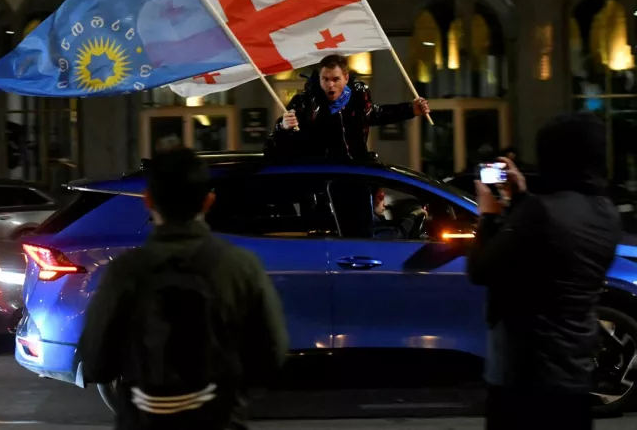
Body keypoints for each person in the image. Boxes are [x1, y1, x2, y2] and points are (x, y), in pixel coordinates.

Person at [78, 147, 288, 430]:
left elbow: (95, 363)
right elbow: (270, 356)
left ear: (148, 200)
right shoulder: (240, 267)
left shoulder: (125, 272)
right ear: (208, 201)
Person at [466, 112, 621, 430]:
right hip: (575, 374)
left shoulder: (542, 211)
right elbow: (553, 247)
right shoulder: (607, 213)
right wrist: (522, 195)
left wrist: (489, 215)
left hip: (526, 374)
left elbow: (481, 269)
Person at [264, 55, 431, 162]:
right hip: (319, 178)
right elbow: (277, 144)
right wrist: (283, 127)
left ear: (346, 78)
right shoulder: (305, 102)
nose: (330, 85)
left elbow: (374, 114)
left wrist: (411, 109)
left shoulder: (359, 96)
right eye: (325, 79)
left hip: (353, 173)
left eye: (335, 79)